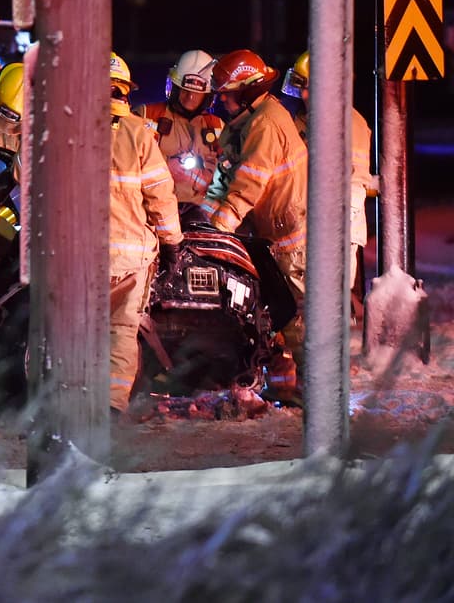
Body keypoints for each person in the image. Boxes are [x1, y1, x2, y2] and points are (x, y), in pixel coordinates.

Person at [202, 49, 308, 406]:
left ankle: (318, 393)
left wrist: (218, 229)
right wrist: (201, 225)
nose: (223, 100)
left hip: (292, 240)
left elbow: (247, 186)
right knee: (277, 315)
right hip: (271, 238)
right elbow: (223, 180)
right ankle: (287, 389)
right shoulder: (247, 123)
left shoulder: (264, 125)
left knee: (299, 319)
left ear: (248, 90)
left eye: (228, 93)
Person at [108, 52, 182, 416]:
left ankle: (56, 406)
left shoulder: (62, 128)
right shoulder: (139, 133)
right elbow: (160, 196)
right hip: (128, 259)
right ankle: (110, 408)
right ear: (124, 92)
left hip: (73, 258)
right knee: (121, 332)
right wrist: (172, 243)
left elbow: (23, 173)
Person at [282, 51, 373, 309]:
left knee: (330, 304)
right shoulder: (299, 119)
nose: (304, 95)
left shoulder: (350, 124)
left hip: (337, 227)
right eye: (302, 87)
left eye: (311, 88)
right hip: (301, 225)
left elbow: (353, 185)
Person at [135, 50, 225, 205]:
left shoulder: (217, 126)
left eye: (197, 93)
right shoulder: (147, 115)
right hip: (154, 210)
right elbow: (128, 161)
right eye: (186, 90)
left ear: (208, 96)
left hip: (200, 215)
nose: (190, 97)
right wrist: (165, 165)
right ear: (174, 87)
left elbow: (227, 178)